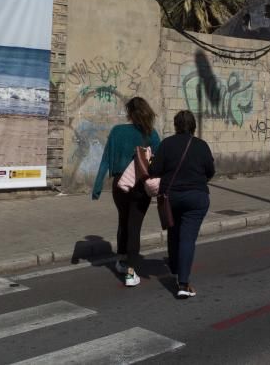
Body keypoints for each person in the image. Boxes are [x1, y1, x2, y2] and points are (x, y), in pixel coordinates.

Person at [91, 96, 161, 287]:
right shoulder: (150, 133)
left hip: (119, 185)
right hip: (140, 186)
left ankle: (122, 261)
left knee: (123, 220)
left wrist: (97, 188)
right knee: (134, 227)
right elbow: (160, 162)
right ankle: (131, 272)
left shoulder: (117, 131)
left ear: (129, 113)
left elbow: (105, 160)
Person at [149, 109, 215, 299]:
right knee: (187, 238)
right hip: (196, 197)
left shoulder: (166, 144)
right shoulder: (202, 145)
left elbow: (155, 170)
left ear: (176, 126)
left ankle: (175, 268)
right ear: (193, 126)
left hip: (171, 197)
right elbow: (210, 171)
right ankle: (183, 284)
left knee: (173, 229)